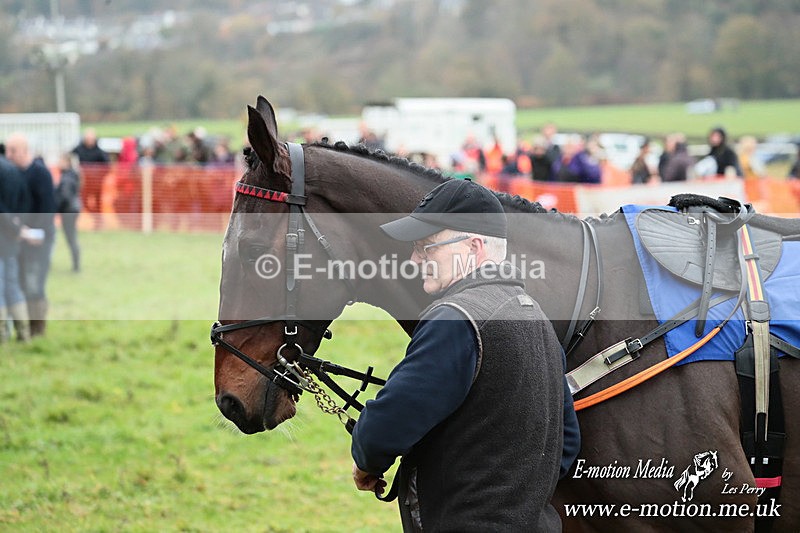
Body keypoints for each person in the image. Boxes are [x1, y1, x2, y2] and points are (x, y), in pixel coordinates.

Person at [351, 179, 579, 532]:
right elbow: (565, 443)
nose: (415, 259)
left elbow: (385, 427)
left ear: (473, 246)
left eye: (427, 247)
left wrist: (367, 460)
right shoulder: (536, 315)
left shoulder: (455, 317)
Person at [5, 132, 56, 338]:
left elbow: (47, 209)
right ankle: (21, 329)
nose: (7, 154)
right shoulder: (11, 173)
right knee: (19, 284)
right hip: (18, 239)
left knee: (34, 284)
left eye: (12, 150)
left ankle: (37, 331)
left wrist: (32, 232)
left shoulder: (40, 174)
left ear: (24, 151)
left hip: (38, 241)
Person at [0, 149, 31, 342]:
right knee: (12, 285)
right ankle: (23, 332)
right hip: (12, 238)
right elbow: (25, 201)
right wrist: (18, 227)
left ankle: (2, 334)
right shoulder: (13, 170)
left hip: (4, 233)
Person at [55, 153, 81, 272]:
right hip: (73, 209)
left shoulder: (67, 178)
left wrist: (56, 207)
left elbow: (65, 196)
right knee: (72, 237)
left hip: (68, 211)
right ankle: (76, 264)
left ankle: (76, 265)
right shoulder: (71, 175)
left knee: (71, 237)